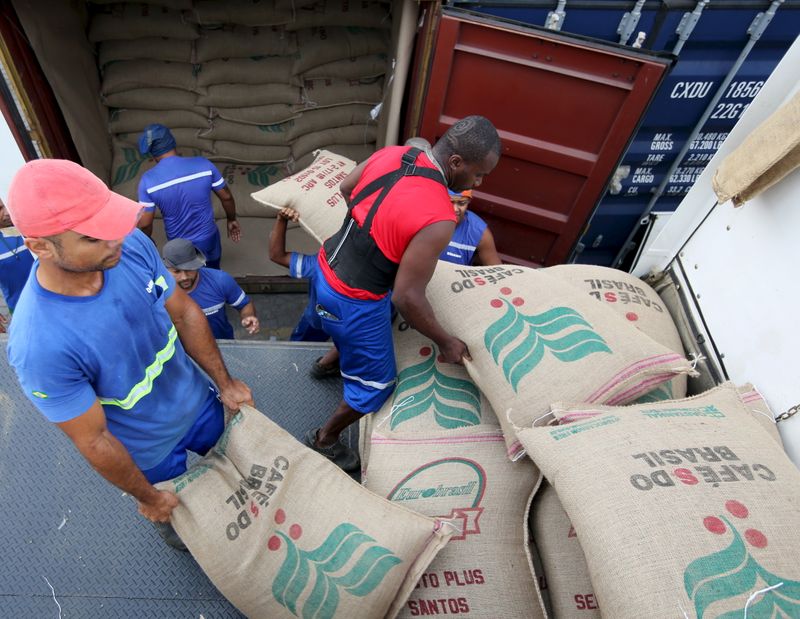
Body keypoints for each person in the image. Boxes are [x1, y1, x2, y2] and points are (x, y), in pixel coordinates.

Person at [5, 159, 253, 550]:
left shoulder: (128, 244)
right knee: (179, 518)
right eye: (92, 237)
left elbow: (185, 313)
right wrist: (149, 498)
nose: (114, 239)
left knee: (239, 470)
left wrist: (225, 383)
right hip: (148, 449)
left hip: (200, 404)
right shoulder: (39, 344)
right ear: (40, 246)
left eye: (111, 223)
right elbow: (95, 439)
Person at [304, 115, 501, 470]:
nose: (479, 182)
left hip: (324, 266)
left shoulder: (392, 154)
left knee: (357, 325)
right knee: (378, 384)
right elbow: (407, 298)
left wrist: (375, 231)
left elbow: (347, 189)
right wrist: (447, 341)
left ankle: (325, 365)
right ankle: (325, 439)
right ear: (456, 163)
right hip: (354, 299)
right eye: (478, 174)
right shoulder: (441, 216)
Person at [136, 124, 240, 269]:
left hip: (179, 246)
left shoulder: (148, 181)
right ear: (173, 143)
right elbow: (226, 197)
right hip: (208, 238)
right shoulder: (204, 165)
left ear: (152, 154)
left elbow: (145, 223)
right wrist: (231, 219)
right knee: (212, 273)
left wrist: (147, 241)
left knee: (187, 280)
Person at [268, 207, 341, 377]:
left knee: (301, 351)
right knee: (298, 349)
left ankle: (295, 369)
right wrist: (281, 219)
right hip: (320, 321)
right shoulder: (320, 262)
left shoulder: (319, 264)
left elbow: (276, 255)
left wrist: (281, 219)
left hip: (327, 322)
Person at [162, 238, 260, 340]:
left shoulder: (221, 280)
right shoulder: (157, 290)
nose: (184, 277)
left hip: (221, 346)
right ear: (165, 269)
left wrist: (248, 316)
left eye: (189, 269)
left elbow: (244, 304)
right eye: (177, 272)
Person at [439, 189, 501, 266]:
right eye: (450, 202)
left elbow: (496, 270)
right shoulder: (424, 218)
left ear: (468, 202)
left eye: (461, 203)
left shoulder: (478, 231)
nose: (455, 209)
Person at [0, 198, 35, 331]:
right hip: (20, 309)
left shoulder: (34, 229)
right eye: (0, 209)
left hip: (58, 301)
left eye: (8, 206)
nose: (7, 213)